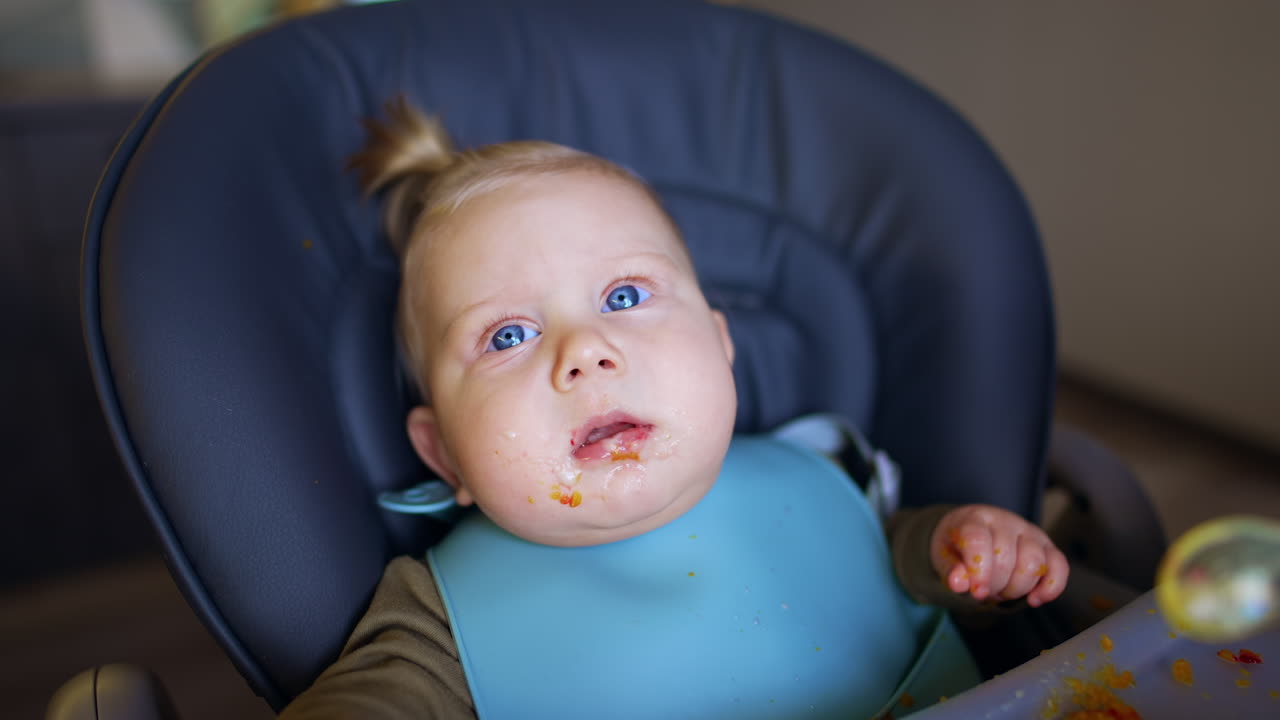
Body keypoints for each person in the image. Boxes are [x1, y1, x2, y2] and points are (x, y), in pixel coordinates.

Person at [279, 97, 1069, 719]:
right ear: (444, 455)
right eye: (509, 335)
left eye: (624, 296)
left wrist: (955, 551)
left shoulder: (821, 477)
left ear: (722, 344)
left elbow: (887, 570)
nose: (585, 352)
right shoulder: (438, 625)